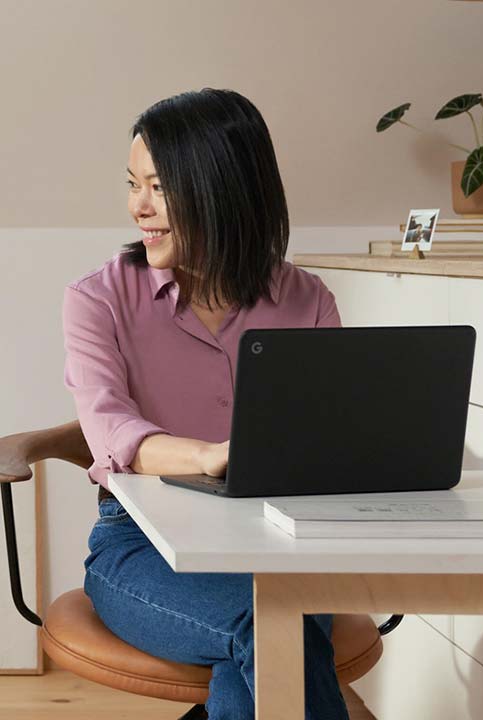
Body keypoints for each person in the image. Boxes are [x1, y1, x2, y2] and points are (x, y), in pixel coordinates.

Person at [62, 89, 350, 720]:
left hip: (283, 550)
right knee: (276, 629)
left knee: (261, 650)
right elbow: (112, 429)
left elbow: (330, 437)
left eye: (159, 187)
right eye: (133, 184)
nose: (138, 207)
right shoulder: (97, 300)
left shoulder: (307, 299)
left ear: (222, 188)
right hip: (139, 549)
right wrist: (208, 455)